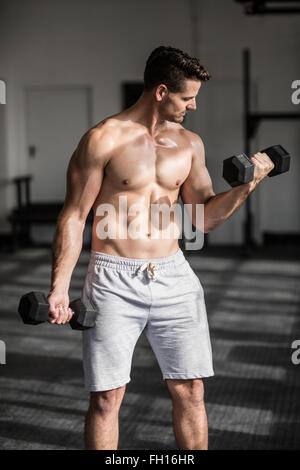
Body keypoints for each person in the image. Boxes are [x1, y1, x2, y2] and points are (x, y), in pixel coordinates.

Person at [47, 46, 274, 450]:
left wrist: (247, 185)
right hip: (113, 279)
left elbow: (203, 218)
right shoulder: (103, 139)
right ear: (160, 91)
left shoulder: (189, 144)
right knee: (106, 398)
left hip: (173, 275)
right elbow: (74, 216)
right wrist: (60, 288)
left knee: (191, 392)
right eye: (188, 98)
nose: (194, 105)